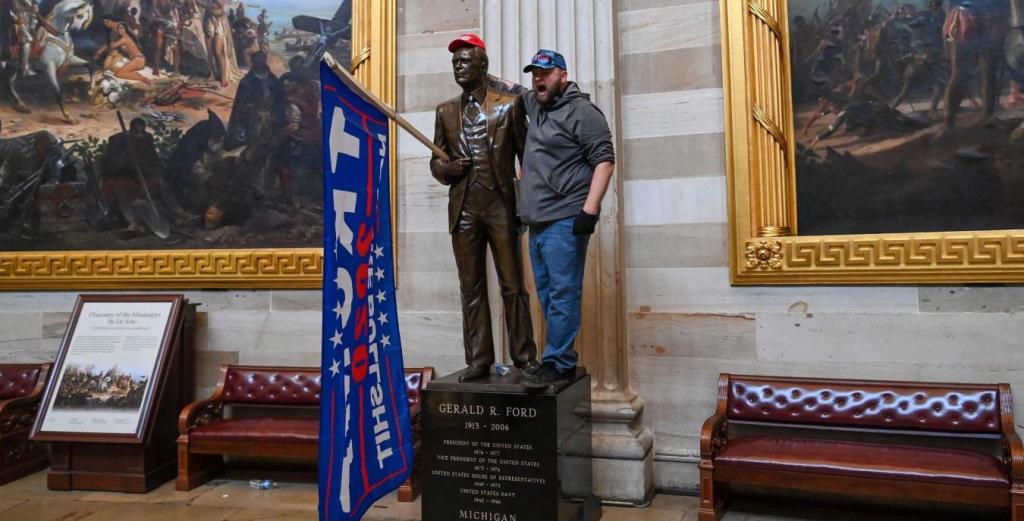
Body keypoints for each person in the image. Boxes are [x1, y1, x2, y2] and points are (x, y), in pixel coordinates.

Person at [429, 33, 538, 382]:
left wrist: (530, 206)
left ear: (483, 65)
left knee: (513, 285)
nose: (458, 67)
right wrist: (447, 169)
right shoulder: (445, 111)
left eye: (465, 61)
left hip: (500, 206)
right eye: (454, 62)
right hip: (464, 210)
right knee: (471, 288)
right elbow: (435, 163)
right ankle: (478, 360)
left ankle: (524, 357)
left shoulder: (509, 105)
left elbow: (528, 160)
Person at [518, 49, 615, 387]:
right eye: (535, 74)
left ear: (563, 75)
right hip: (537, 222)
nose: (538, 80)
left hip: (565, 218)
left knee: (562, 293)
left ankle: (557, 362)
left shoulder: (582, 111)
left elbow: (605, 161)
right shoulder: (536, 104)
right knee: (548, 294)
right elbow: (508, 88)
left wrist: (589, 211)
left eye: (545, 73)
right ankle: (562, 358)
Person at [94, 16, 151, 85]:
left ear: (125, 30)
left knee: (119, 74)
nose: (119, 30)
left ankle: (144, 79)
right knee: (115, 69)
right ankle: (133, 74)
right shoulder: (123, 38)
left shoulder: (125, 38)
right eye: (118, 28)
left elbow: (112, 46)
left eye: (121, 28)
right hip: (136, 60)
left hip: (139, 60)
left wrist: (111, 38)